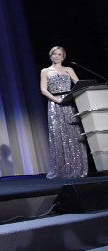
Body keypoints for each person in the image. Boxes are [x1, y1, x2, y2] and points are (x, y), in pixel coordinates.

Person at [39, 45, 88, 179]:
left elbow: (78, 84)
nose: (56, 56)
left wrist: (70, 97)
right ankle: (61, 169)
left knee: (73, 135)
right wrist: (57, 100)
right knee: (58, 134)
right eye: (54, 54)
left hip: (69, 102)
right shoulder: (45, 71)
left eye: (59, 54)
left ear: (63, 56)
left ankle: (78, 168)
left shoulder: (68, 69)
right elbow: (43, 89)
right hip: (55, 104)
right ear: (50, 56)